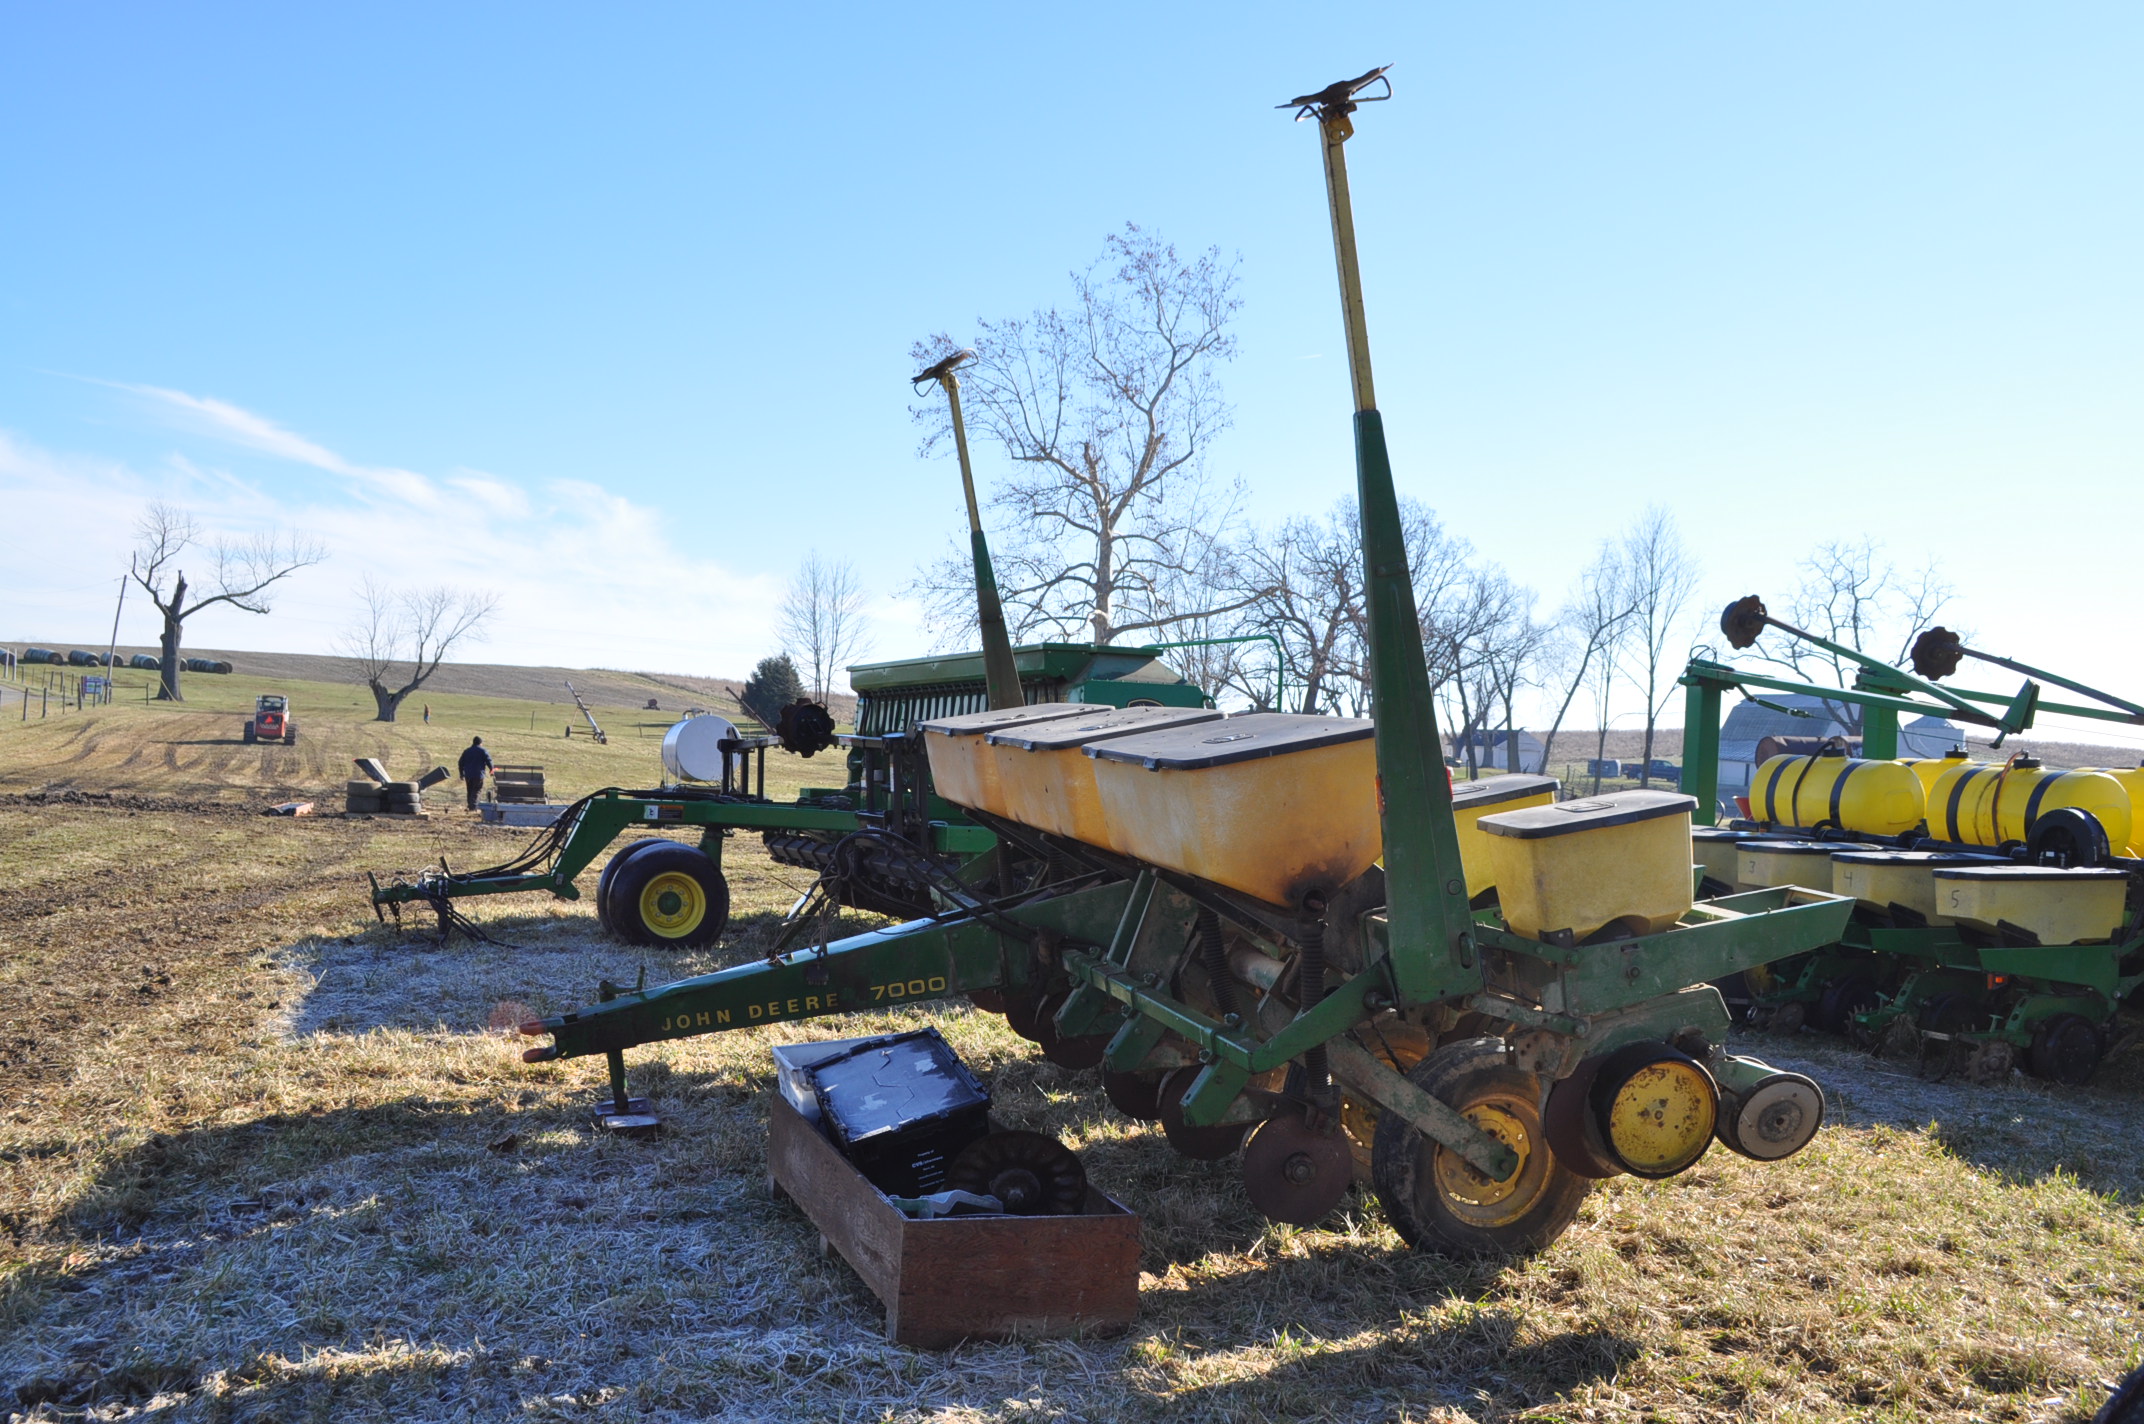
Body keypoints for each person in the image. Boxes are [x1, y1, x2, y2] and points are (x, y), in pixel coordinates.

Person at [458, 735, 493, 809]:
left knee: (470, 790)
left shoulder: (467, 751)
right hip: (478, 775)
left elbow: (460, 763)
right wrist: (491, 770)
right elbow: (488, 761)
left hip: (468, 775)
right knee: (477, 790)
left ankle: (470, 805)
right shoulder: (483, 751)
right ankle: (473, 807)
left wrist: (461, 773)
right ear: (480, 743)